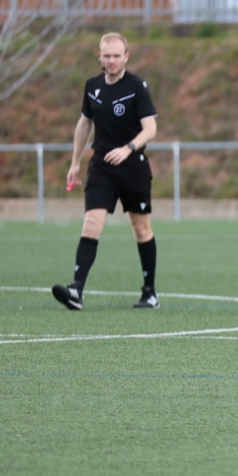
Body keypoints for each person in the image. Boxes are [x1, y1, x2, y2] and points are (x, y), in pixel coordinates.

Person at [51, 33, 160, 311]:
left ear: (126, 56)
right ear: (99, 56)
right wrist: (75, 162)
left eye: (116, 55)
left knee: (141, 228)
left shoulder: (137, 86)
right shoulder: (92, 87)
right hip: (101, 167)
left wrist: (128, 148)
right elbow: (85, 124)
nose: (111, 61)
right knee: (91, 223)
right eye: (106, 55)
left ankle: (149, 292)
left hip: (133, 168)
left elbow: (151, 128)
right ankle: (76, 290)